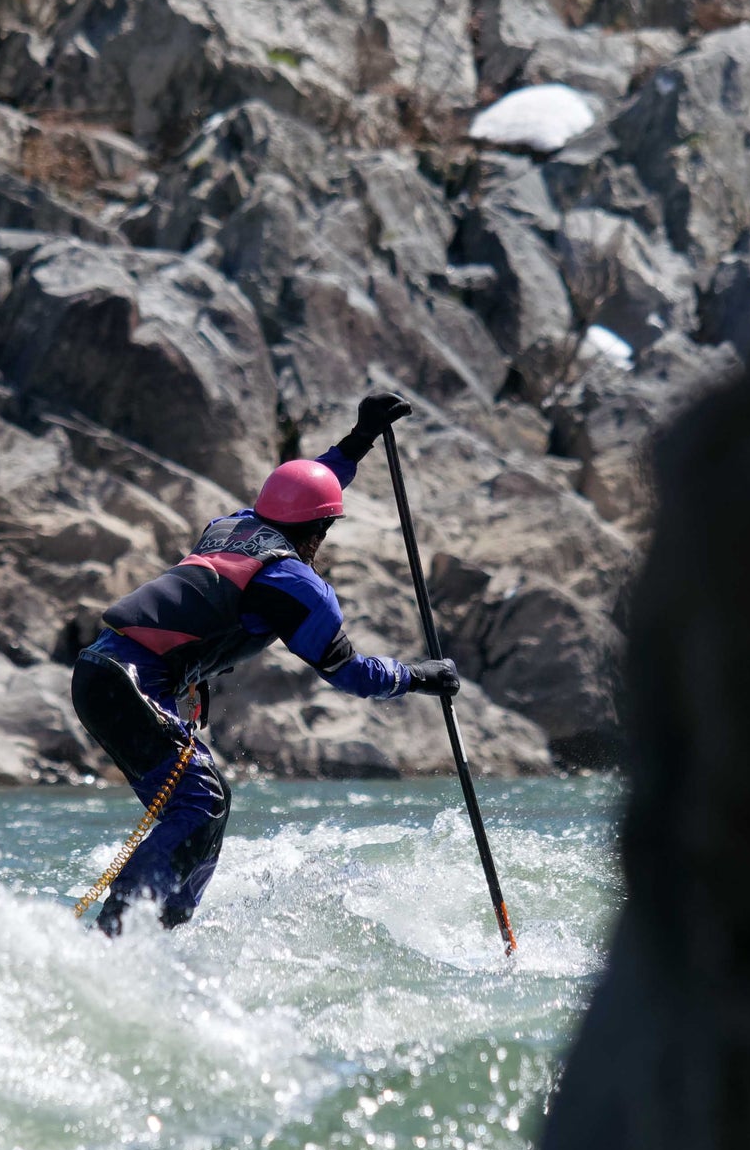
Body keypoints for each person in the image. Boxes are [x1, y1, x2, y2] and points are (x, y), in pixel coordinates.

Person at [70, 391, 462, 934]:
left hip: (101, 669)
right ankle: (116, 933)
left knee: (201, 802)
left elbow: (304, 488)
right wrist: (420, 677)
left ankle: (156, 927)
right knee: (201, 801)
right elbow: (350, 673)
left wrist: (361, 436)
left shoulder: (234, 524)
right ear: (321, 533)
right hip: (127, 685)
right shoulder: (295, 587)